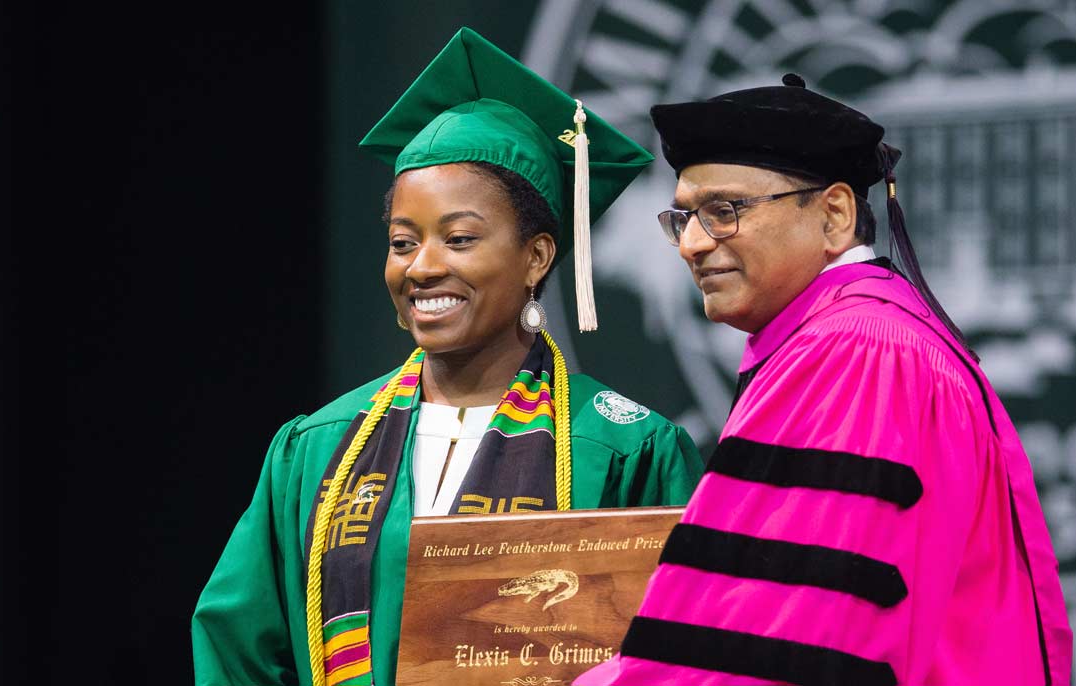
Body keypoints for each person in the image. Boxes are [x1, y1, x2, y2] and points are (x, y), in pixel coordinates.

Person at [192, 28, 704, 686]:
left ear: (537, 257)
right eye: (403, 242)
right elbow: (240, 654)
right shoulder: (316, 449)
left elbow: (687, 658)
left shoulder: (625, 448)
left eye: (460, 238)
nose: (423, 267)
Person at [576, 75, 1072, 686]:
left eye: (723, 211)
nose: (692, 244)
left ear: (835, 214)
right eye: (683, 218)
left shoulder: (858, 353)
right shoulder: (861, 336)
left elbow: (778, 642)